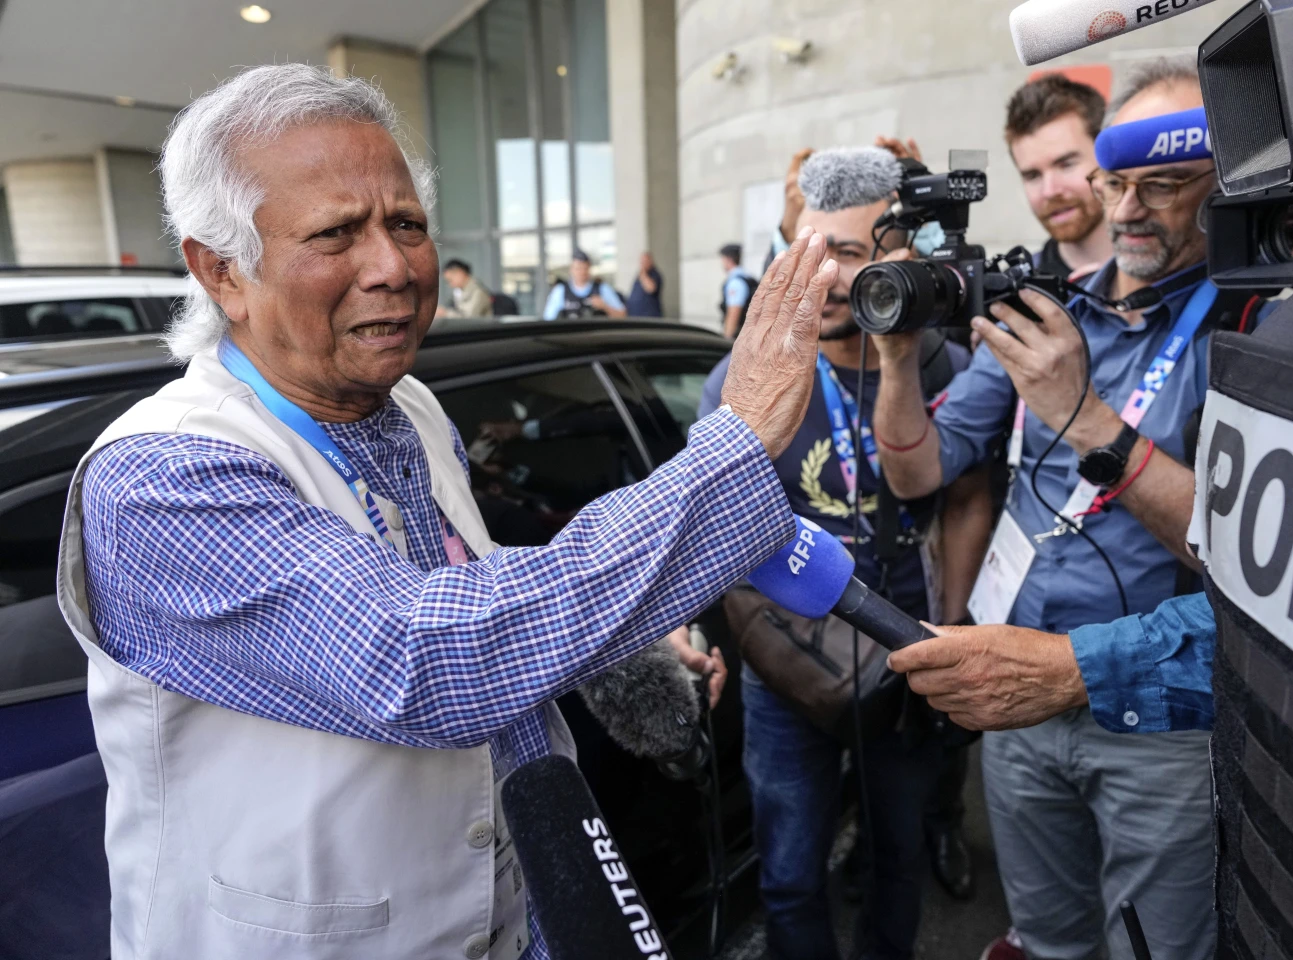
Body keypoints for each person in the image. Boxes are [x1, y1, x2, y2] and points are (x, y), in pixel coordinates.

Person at [56, 63, 838, 960]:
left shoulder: (409, 404)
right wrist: (730, 451)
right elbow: (421, 655)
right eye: (337, 232)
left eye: (407, 224)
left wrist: (618, 649)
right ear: (222, 271)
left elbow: (459, 572)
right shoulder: (159, 480)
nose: (392, 266)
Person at [872, 59, 1222, 960]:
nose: (1127, 207)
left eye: (1165, 183)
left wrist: (1083, 416)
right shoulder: (1040, 311)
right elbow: (920, 473)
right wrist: (901, 362)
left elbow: (1241, 551)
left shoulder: (1246, 325)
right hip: (1016, 693)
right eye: (1117, 181)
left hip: (1157, 715)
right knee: (1049, 940)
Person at [698, 146, 991, 960]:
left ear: (900, 256)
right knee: (790, 875)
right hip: (784, 668)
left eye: (852, 255)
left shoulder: (945, 366)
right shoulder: (744, 379)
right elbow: (707, 513)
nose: (825, 278)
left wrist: (955, 623)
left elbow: (969, 498)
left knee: (896, 863)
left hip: (908, 662)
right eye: (810, 252)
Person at [1005, 74, 1113, 280]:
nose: (1050, 191)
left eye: (1066, 165)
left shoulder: (1171, 268)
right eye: (1032, 175)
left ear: (1107, 157)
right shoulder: (1018, 293)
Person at [541, 249, 626, 319]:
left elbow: (622, 315)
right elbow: (548, 319)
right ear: (571, 269)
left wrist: (605, 307)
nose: (582, 272)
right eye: (578, 268)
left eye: (585, 268)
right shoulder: (560, 291)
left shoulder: (602, 289)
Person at [719, 243, 758, 339]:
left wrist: (727, 339)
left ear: (728, 259)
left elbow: (733, 313)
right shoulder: (748, 277)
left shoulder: (735, 282)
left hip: (740, 337)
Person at [625, 251, 664, 317]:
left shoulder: (654, 274)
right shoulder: (639, 275)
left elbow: (651, 288)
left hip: (649, 317)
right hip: (635, 316)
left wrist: (643, 274)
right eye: (642, 262)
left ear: (651, 261)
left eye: (645, 261)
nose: (642, 264)